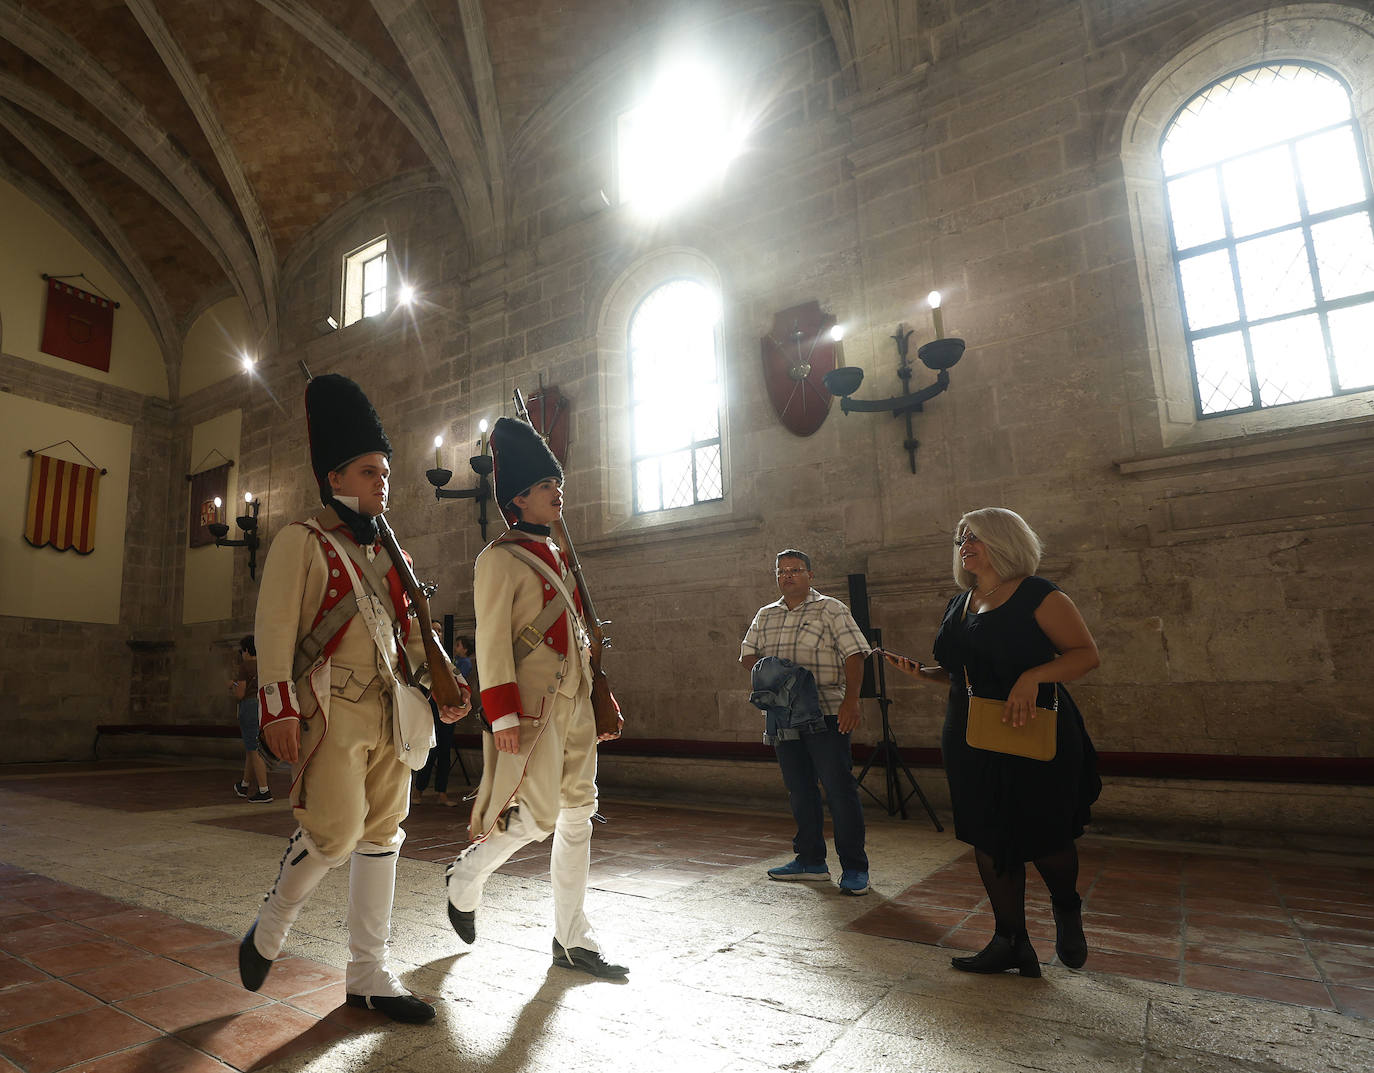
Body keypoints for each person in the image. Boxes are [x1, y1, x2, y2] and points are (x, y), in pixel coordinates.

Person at [238, 373, 469, 1023]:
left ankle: (367, 973)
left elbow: (410, 636)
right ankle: (271, 925)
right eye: (370, 470)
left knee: (381, 835)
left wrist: (441, 682)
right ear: (335, 475)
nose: (383, 481)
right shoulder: (302, 541)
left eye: (386, 471)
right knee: (333, 831)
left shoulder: (393, 554)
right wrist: (277, 709)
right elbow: (276, 632)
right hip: (329, 711)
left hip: (391, 712)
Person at [443, 416, 627, 978]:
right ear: (519, 498)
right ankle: (465, 877)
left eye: (557, 482)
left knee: (580, 814)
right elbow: (494, 639)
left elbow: (575, 629)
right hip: (531, 708)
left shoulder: (560, 556)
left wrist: (598, 684)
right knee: (537, 816)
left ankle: (572, 937)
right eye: (547, 485)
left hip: (575, 702)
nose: (558, 492)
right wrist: (499, 715)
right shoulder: (497, 558)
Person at [884, 507, 1100, 977]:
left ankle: (1066, 907)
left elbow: (1085, 655)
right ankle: (1011, 941)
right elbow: (962, 673)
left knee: (1045, 832)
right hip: (969, 732)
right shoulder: (958, 602)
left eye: (974, 536)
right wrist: (923, 674)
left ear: (1003, 540)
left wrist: (1032, 678)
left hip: (1033, 725)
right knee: (988, 834)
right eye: (960, 537)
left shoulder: (1039, 595)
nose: (964, 544)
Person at [740, 549, 872, 896]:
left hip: (827, 710)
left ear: (810, 575)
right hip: (783, 714)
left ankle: (855, 867)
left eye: (795, 570)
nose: (788, 576)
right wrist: (774, 674)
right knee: (799, 789)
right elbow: (748, 654)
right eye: (781, 571)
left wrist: (851, 701)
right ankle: (811, 860)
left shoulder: (831, 609)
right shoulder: (766, 614)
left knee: (839, 789)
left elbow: (855, 655)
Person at [412, 635, 473, 808]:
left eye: (439, 631)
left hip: (449, 704)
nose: (438, 634)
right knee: (430, 749)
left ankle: (442, 792)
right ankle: (419, 789)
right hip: (432, 705)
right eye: (435, 630)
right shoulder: (428, 648)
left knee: (444, 750)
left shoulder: (459, 661)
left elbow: (454, 679)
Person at [231, 635, 271, 802]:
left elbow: (240, 693)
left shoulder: (245, 666)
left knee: (254, 749)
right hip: (263, 705)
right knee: (251, 747)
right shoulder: (265, 665)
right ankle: (244, 785)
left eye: (242, 650)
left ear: (246, 650)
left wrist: (232, 686)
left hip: (249, 706)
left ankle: (264, 790)